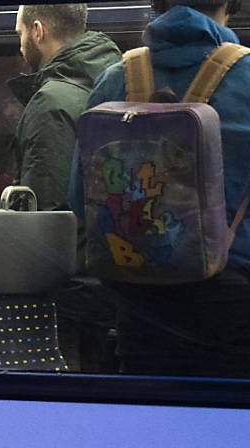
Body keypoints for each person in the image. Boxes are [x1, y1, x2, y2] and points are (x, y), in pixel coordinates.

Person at [69, 0, 250, 376]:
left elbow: (79, 197)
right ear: (230, 3)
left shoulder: (115, 79)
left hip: (140, 311)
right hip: (236, 310)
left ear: (156, 3)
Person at [10, 4, 120, 211]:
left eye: (21, 34)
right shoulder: (115, 81)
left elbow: (48, 215)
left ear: (37, 31)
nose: (21, 46)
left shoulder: (50, 105)